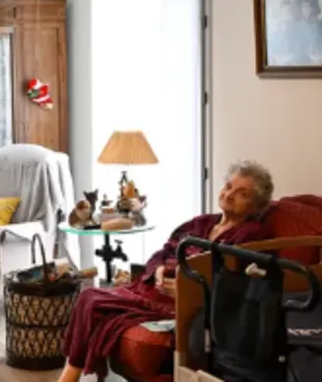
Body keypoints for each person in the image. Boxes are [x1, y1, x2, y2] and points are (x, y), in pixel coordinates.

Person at [57, 160, 275, 382]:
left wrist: (190, 292)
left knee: (94, 301)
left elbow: (236, 282)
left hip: (181, 301)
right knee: (89, 297)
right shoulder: (201, 223)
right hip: (152, 287)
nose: (229, 195)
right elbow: (163, 251)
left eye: (242, 194)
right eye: (228, 187)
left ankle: (68, 377)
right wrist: (158, 270)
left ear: (256, 206)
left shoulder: (253, 235)